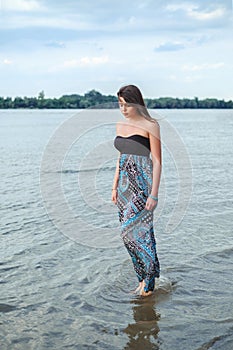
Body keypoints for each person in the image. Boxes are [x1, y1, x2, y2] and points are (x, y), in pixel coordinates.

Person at [112, 84, 161, 297]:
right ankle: (141, 278)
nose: (123, 109)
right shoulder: (120, 126)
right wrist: (114, 187)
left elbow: (158, 161)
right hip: (124, 187)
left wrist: (154, 194)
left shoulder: (151, 125)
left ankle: (149, 285)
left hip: (142, 186)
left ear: (137, 103)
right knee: (127, 235)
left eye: (127, 104)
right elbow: (120, 158)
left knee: (141, 235)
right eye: (120, 104)